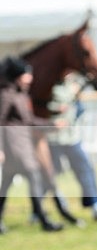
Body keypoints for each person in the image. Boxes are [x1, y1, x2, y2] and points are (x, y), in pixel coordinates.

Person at [0, 56, 63, 232]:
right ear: (18, 76)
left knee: (6, 183)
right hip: (14, 146)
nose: (30, 78)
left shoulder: (20, 94)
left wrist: (52, 125)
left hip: (22, 144)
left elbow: (28, 120)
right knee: (33, 175)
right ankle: (43, 219)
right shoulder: (6, 95)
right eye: (26, 75)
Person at [46, 72, 97, 221]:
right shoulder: (49, 84)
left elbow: (88, 82)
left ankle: (96, 205)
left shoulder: (73, 82)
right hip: (53, 138)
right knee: (50, 174)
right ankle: (38, 210)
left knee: (86, 169)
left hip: (72, 138)